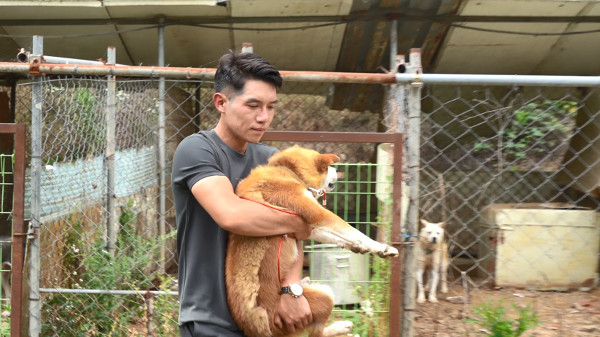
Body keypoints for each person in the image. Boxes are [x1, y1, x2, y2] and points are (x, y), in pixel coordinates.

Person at [172, 51, 313, 337]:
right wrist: (299, 221)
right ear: (221, 102)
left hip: (266, 319)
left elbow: (292, 243)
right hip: (209, 322)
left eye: (271, 107)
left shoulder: (270, 158)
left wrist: (292, 289)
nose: (264, 118)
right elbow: (232, 215)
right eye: (253, 106)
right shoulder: (197, 149)